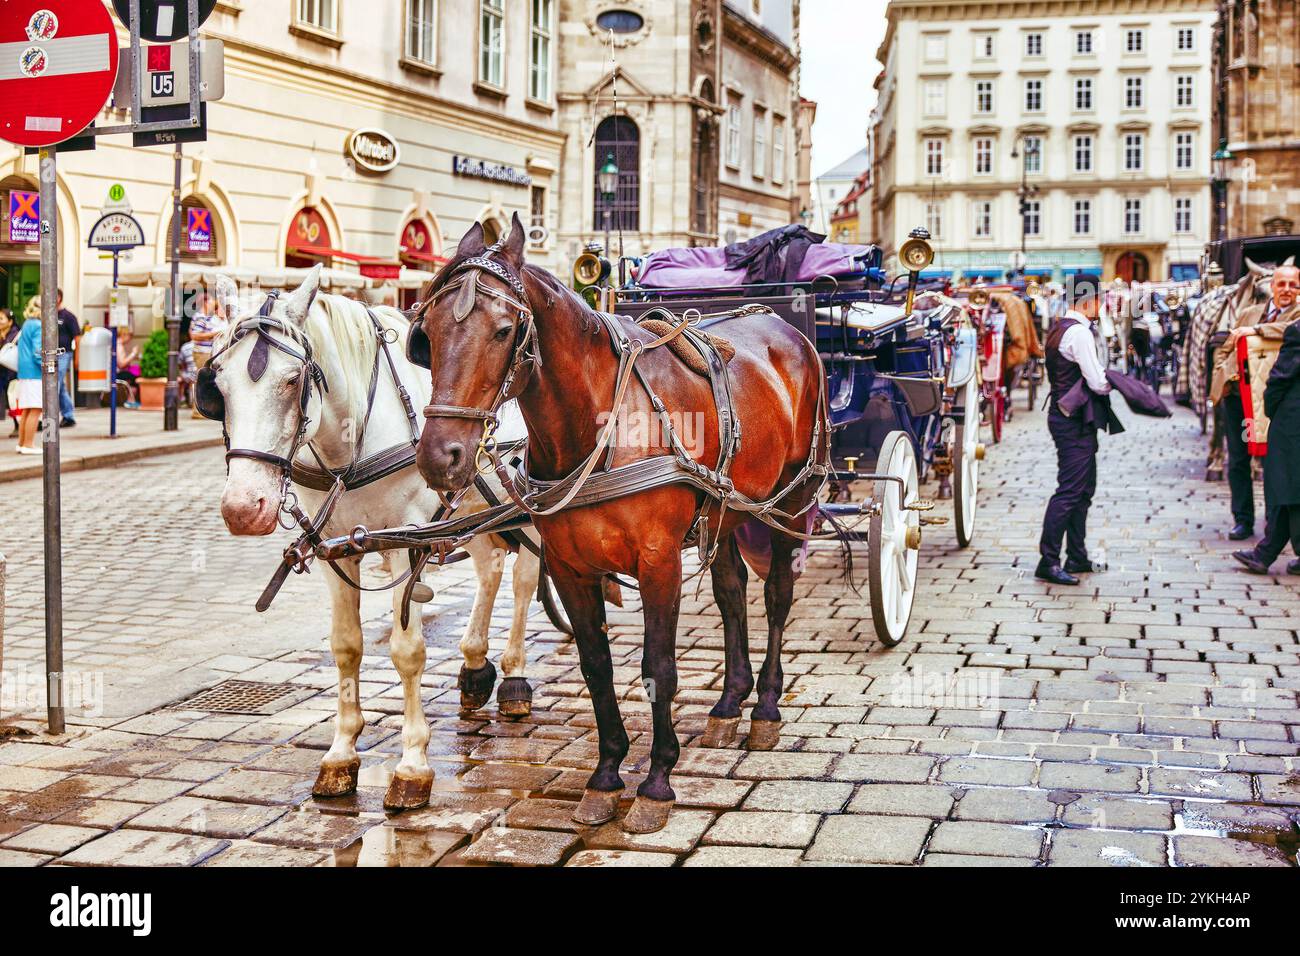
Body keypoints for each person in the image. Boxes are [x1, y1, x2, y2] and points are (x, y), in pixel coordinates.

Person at [1210, 263, 1300, 540]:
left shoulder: (1296, 316)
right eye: (1281, 284)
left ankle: (1275, 525)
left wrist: (1256, 331)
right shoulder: (1248, 312)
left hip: (1276, 403)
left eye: (1292, 285)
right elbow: (1225, 348)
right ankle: (1243, 519)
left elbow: (1286, 330)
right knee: (1238, 459)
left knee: (1275, 464)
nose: (1286, 290)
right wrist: (1221, 377)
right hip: (1240, 398)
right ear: (1271, 286)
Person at [1036, 274, 1112, 585]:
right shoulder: (1079, 333)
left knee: (1083, 489)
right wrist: (1117, 382)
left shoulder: (1059, 326)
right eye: (1101, 298)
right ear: (1090, 300)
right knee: (1069, 491)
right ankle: (1048, 560)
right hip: (1073, 421)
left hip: (1065, 415)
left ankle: (1077, 555)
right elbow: (1097, 381)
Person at [1234, 320, 1300, 574]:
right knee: (1289, 485)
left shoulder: (1296, 330)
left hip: (1292, 420)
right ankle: (1265, 553)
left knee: (1288, 483)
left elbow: (1279, 379)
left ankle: (1266, 553)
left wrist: (1271, 410)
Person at [189, 292, 227, 419]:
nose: (213, 304)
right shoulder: (200, 317)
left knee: (205, 380)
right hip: (201, 352)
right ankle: (197, 411)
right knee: (202, 379)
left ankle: (203, 410)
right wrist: (215, 334)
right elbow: (194, 335)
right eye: (211, 302)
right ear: (205, 303)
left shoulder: (207, 317)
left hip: (206, 352)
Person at [15, 312, 41, 454]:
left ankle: (22, 443)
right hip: (34, 372)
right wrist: (46, 365)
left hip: (24, 371)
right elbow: (37, 352)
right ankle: (28, 444)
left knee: (27, 409)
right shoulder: (38, 325)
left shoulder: (27, 323)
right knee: (36, 409)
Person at [55, 288, 80, 428]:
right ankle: (68, 415)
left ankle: (46, 415)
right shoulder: (48, 315)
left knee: (55, 383)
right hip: (52, 354)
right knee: (60, 386)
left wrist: (77, 359)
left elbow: (77, 338)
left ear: (59, 298)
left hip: (64, 354)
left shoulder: (68, 316)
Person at [0, 309, 18, 436]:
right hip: (3, 374)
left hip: (12, 373)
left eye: (1, 319)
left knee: (13, 400)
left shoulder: (15, 335)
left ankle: (18, 425)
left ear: (10, 321)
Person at [116, 326, 141, 408]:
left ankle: (131, 399)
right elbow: (121, 364)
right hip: (118, 374)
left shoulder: (120, 345)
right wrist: (133, 354)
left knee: (135, 376)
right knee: (136, 378)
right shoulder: (118, 346)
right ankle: (130, 400)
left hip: (119, 372)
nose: (130, 339)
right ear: (123, 335)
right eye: (129, 336)